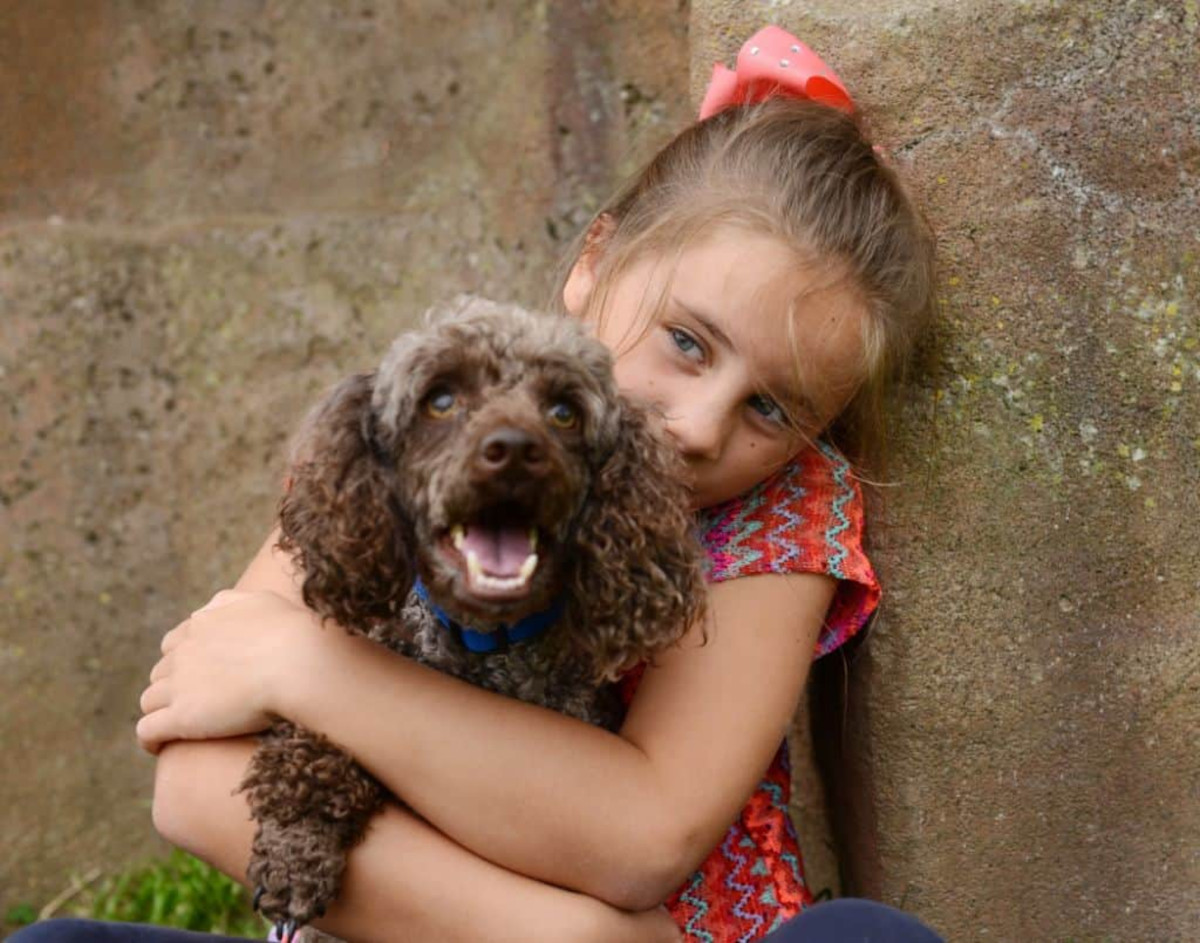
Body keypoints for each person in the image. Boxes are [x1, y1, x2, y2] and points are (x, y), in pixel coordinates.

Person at [15, 26, 944, 943]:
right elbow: (191, 787)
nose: (700, 428)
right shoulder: (420, 429)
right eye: (687, 341)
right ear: (593, 262)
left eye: (770, 410)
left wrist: (307, 668)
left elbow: (647, 832)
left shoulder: (774, 511)